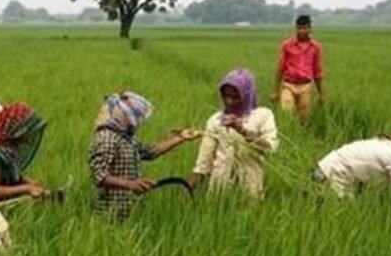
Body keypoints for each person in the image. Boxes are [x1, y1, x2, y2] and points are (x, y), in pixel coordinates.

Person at [87, 91, 201, 221]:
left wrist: (181, 138)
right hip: (108, 212)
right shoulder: (106, 138)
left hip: (127, 209)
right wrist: (131, 184)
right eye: (134, 121)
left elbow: (150, 152)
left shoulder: (126, 138)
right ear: (123, 117)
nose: (137, 125)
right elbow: (99, 176)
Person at [190, 69, 279, 198]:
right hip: (219, 188)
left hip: (250, 187)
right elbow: (204, 161)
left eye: (235, 97)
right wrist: (187, 188)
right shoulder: (216, 120)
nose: (229, 101)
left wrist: (242, 130)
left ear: (247, 94)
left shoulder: (263, 116)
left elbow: (270, 147)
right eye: (226, 96)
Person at [270, 14, 325, 124]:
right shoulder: (287, 45)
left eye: (305, 28)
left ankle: (300, 136)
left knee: (303, 118)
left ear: (310, 28)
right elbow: (280, 68)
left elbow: (317, 73)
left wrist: (321, 94)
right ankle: (287, 133)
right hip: (288, 85)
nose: (302, 31)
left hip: (306, 86)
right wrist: (275, 91)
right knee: (286, 113)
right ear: (295, 28)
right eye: (299, 28)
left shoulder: (315, 47)